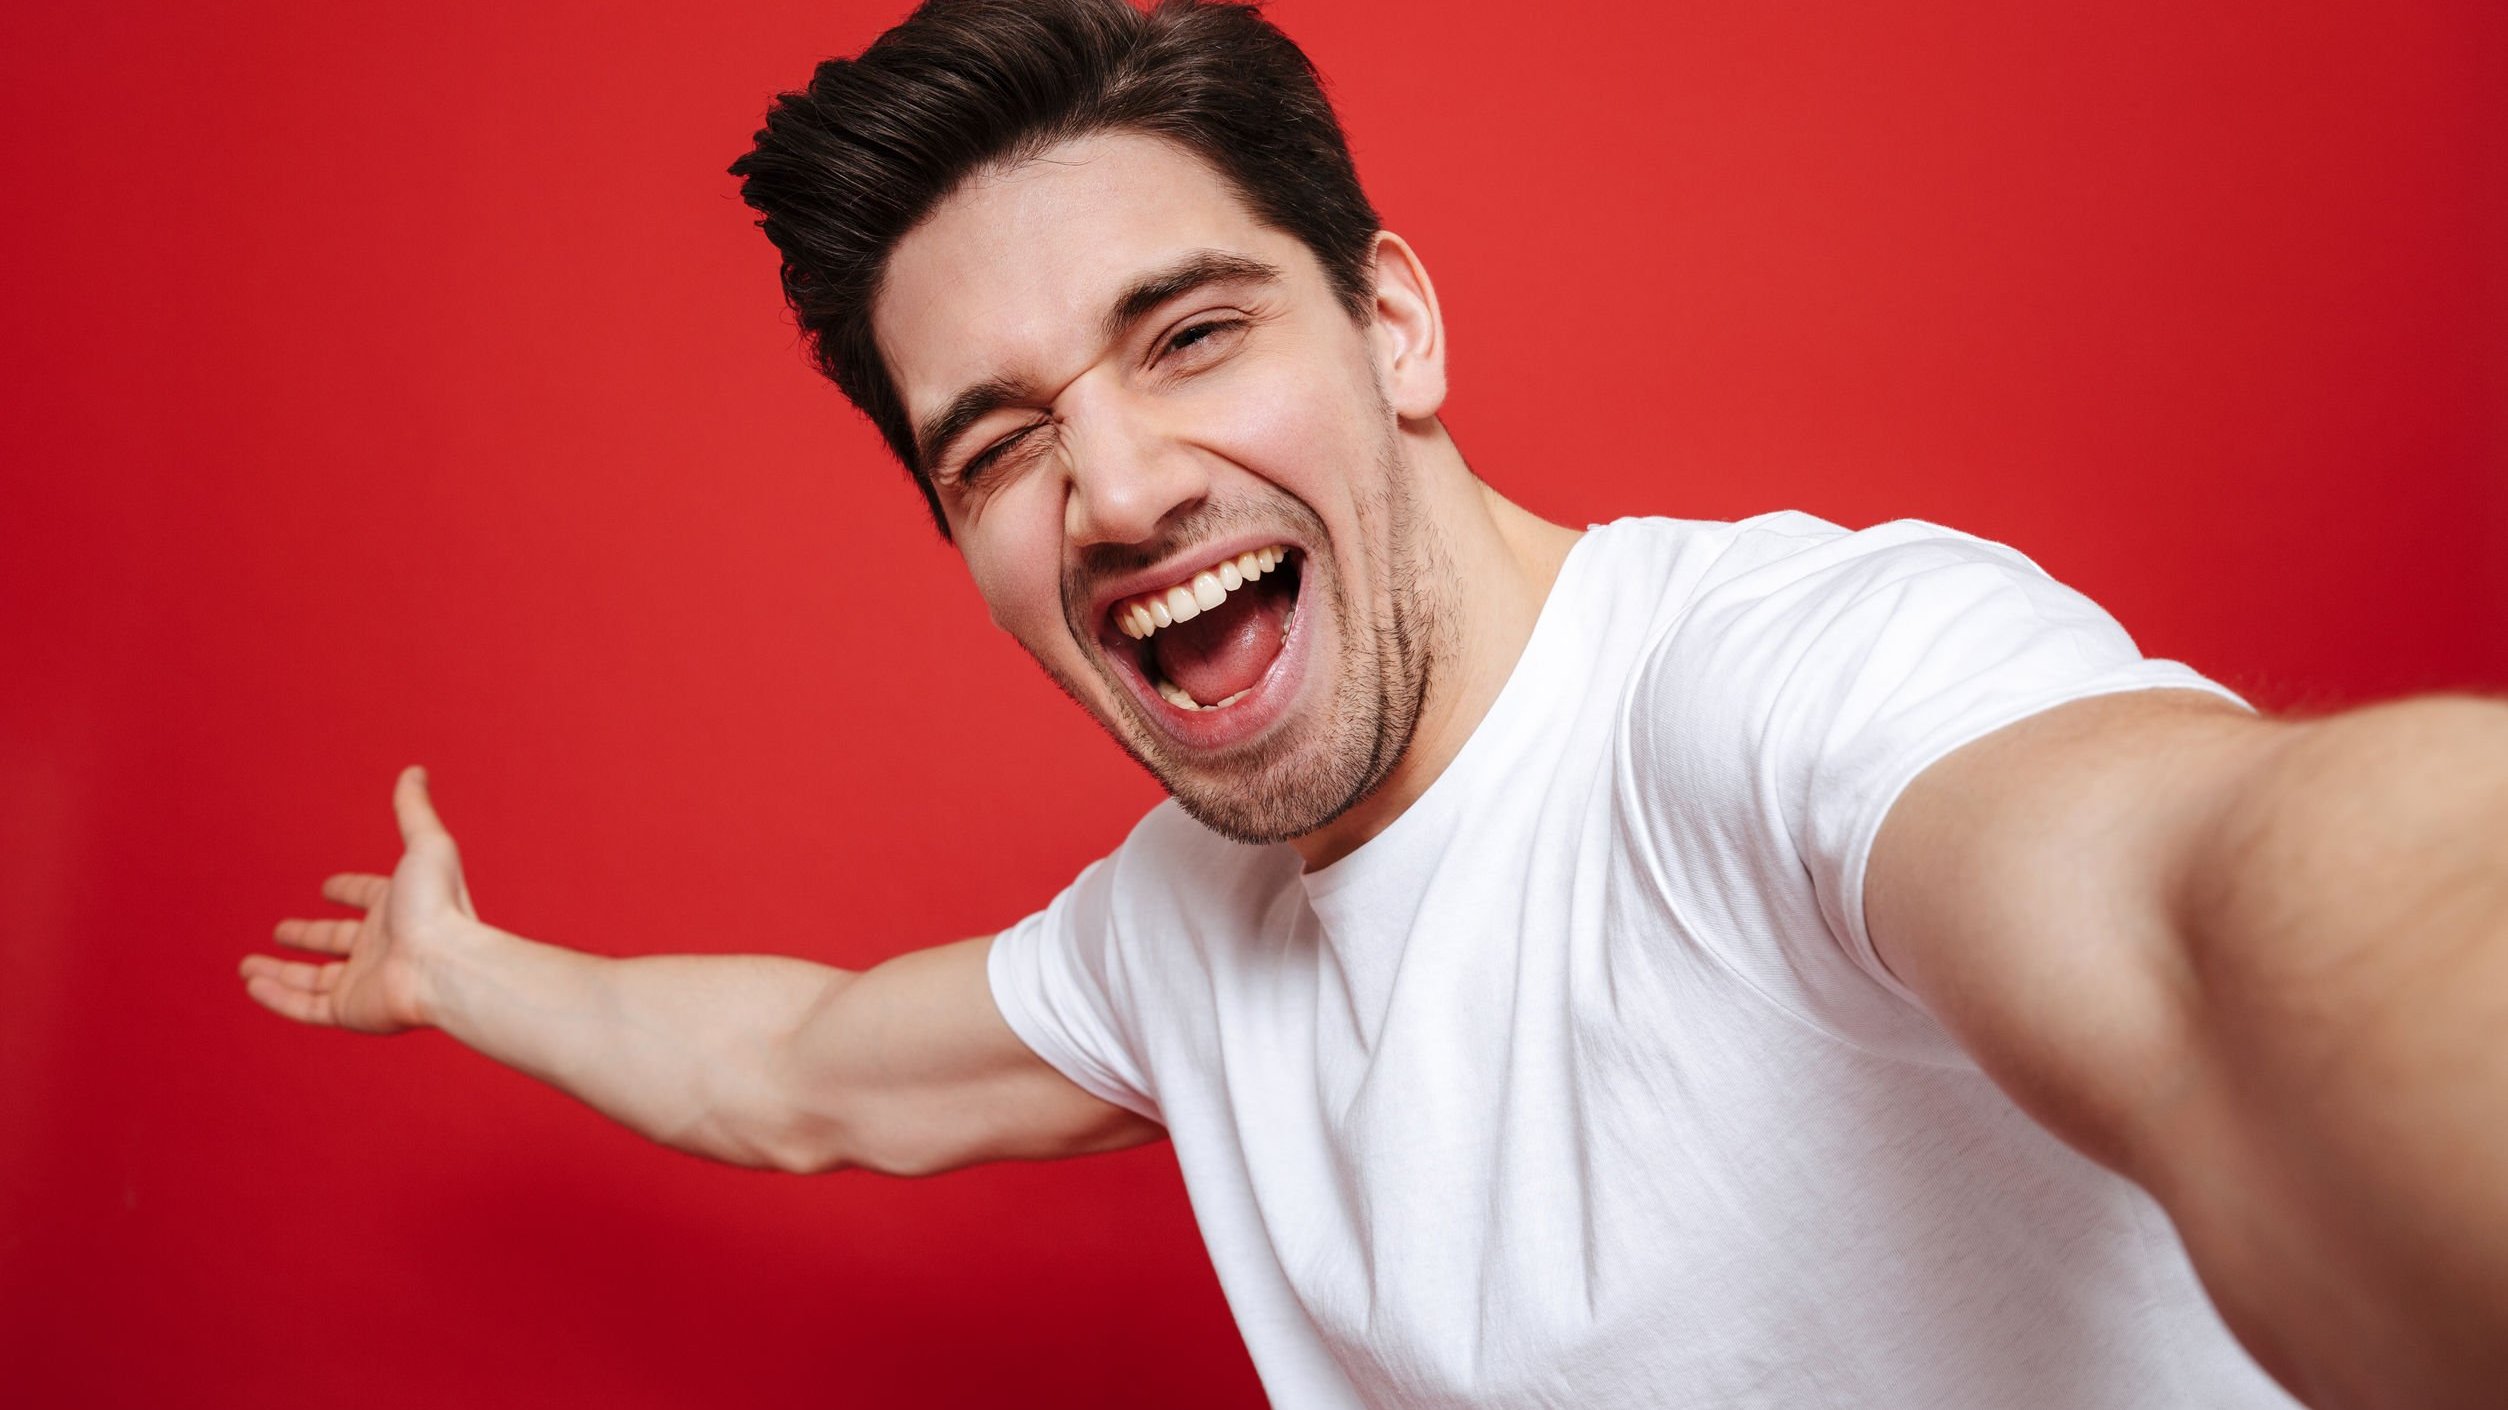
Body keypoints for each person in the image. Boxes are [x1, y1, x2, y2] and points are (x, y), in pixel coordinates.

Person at [238, 2, 2508, 1406]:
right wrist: (462, 968)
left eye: (1191, 333)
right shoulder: (1173, 932)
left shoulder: (1780, 689)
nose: (1114, 485)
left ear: (1393, 328)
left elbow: (2231, 928)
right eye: (999, 443)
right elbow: (801, 1076)